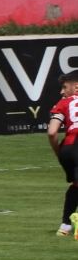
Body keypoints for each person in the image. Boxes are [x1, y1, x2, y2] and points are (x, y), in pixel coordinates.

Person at [46, 71, 78, 236]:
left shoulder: (63, 103)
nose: (62, 92)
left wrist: (58, 152)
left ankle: (65, 225)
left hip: (67, 149)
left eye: (64, 87)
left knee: (75, 185)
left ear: (76, 87)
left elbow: (52, 132)